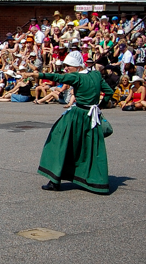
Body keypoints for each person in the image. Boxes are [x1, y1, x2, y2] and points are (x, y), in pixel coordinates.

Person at [21, 51, 113, 194]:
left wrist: (38, 75)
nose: (66, 68)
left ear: (77, 66)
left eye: (68, 65)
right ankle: (94, 181)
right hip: (91, 117)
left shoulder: (76, 77)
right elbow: (109, 92)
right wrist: (99, 107)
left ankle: (55, 181)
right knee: (88, 148)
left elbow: (58, 77)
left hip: (77, 116)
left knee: (58, 142)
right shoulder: (95, 75)